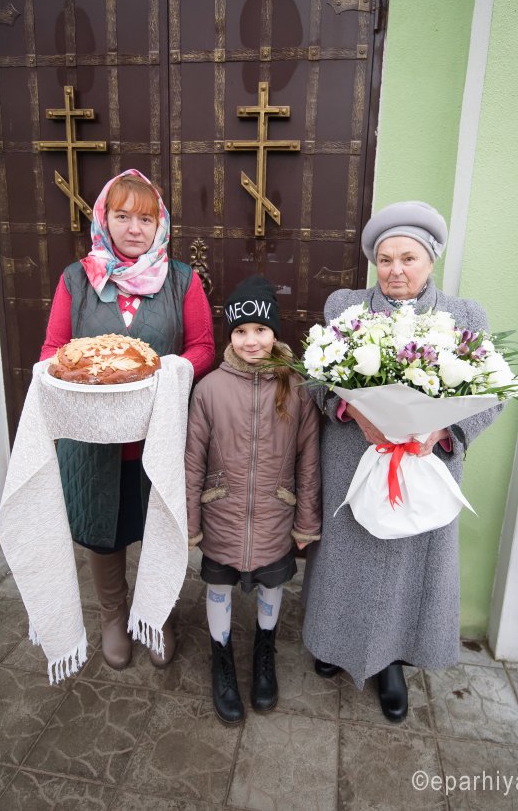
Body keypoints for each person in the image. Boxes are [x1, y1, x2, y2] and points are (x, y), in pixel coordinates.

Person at [301, 201, 501, 722]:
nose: (395, 270)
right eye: (385, 259)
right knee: (346, 557)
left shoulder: (464, 316)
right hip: (353, 460)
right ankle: (331, 641)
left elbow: (492, 394)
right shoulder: (345, 307)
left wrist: (445, 429)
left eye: (408, 259)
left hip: (424, 465)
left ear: (431, 260)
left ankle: (392, 661)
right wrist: (350, 409)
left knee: (404, 566)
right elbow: (314, 376)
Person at [40, 169, 214, 670]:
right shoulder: (77, 279)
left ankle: (156, 615)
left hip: (158, 436)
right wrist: (90, 374)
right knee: (103, 531)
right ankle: (113, 616)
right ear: (104, 219)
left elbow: (203, 347)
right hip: (93, 440)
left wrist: (163, 371)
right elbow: (53, 350)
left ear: (160, 224)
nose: (134, 228)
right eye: (122, 217)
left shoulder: (182, 280)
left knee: (159, 528)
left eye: (146, 218)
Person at [185, 275, 321, 724]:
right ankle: (221, 657)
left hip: (275, 515)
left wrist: (306, 521)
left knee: (272, 584)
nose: (251, 340)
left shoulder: (296, 388)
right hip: (221, 513)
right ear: (230, 335)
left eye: (260, 329)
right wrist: (190, 521)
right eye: (240, 331)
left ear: (274, 332)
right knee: (218, 585)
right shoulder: (209, 389)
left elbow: (308, 460)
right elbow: (192, 460)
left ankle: (265, 652)